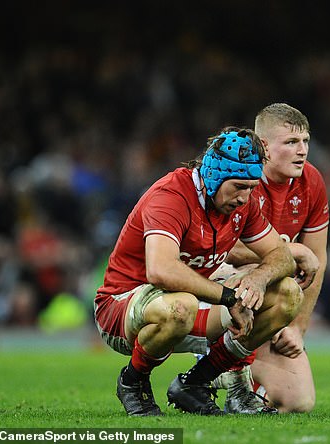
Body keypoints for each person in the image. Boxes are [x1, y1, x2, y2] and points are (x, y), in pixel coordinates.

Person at [94, 127, 304, 416]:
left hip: (187, 307)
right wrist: (231, 297)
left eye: (252, 188)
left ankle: (195, 383)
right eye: (240, 187)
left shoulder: (242, 204)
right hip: (122, 309)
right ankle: (133, 382)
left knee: (286, 294)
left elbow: (281, 256)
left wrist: (257, 279)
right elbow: (161, 271)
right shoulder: (171, 195)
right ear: (216, 176)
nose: (245, 197)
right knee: (181, 305)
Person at [210, 103, 329, 413]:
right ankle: (211, 363)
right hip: (223, 282)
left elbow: (317, 260)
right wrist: (288, 251)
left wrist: (297, 328)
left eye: (305, 141)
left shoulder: (312, 182)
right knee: (254, 265)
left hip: (275, 295)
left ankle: (245, 382)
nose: (302, 150)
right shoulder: (240, 177)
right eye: (290, 142)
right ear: (264, 146)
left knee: (298, 402)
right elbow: (221, 246)